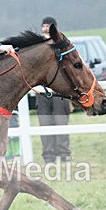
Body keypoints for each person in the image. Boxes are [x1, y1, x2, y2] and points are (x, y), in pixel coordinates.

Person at [36, 16, 72, 163]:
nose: (46, 28)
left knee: (60, 122)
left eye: (49, 26)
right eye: (44, 26)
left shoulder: (62, 45)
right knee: (45, 124)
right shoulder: (37, 47)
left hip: (60, 92)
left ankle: (65, 155)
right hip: (42, 92)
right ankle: (48, 156)